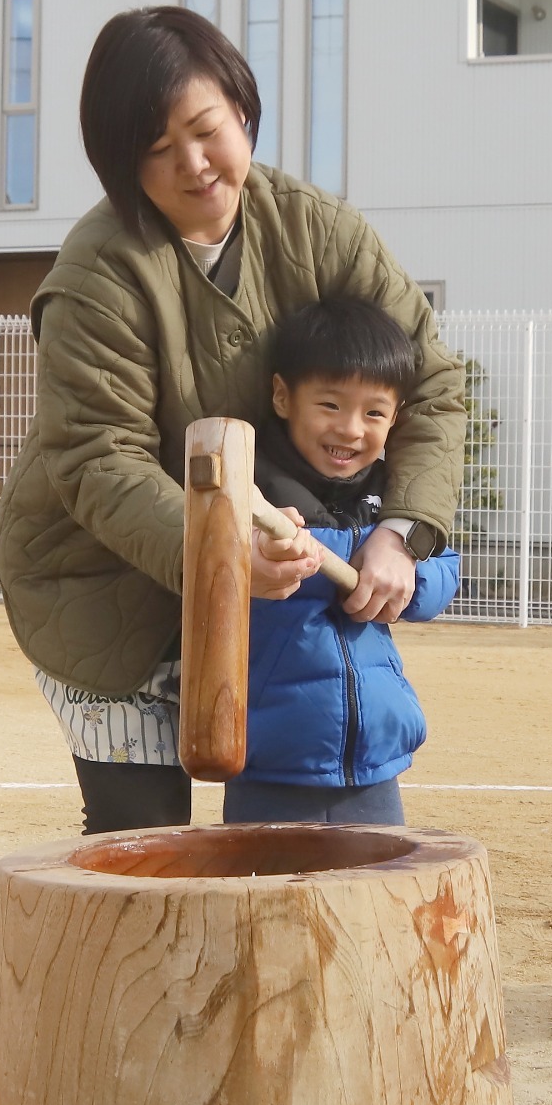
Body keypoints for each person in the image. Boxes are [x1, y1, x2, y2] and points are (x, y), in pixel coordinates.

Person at [0, 6, 467, 835]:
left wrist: (402, 530)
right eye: (156, 149)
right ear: (119, 164)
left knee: (300, 831)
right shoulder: (98, 272)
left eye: (206, 129)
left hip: (273, 582)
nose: (194, 163)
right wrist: (219, 550)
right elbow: (98, 459)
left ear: (242, 108)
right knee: (146, 849)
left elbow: (429, 385)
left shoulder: (318, 228)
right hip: (110, 592)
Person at [225, 298, 460, 825]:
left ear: (395, 417)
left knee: (374, 901)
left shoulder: (394, 499)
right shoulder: (256, 488)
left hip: (374, 762)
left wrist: (401, 567)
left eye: (374, 412)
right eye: (330, 405)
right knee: (266, 901)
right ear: (283, 397)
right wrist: (271, 558)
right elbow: (211, 569)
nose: (351, 429)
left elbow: (446, 569)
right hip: (272, 762)